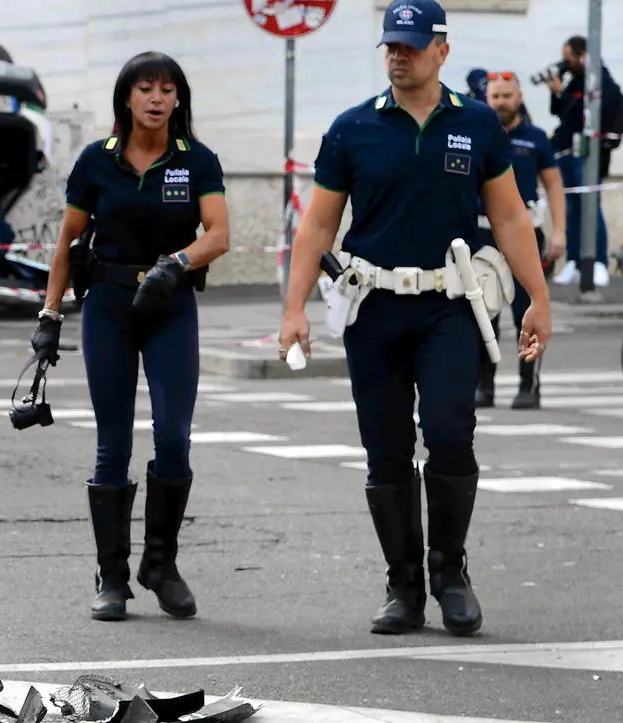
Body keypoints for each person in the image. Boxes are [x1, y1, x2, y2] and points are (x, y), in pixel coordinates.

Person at [277, 0, 552, 638]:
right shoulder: (352, 128)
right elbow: (319, 223)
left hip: (450, 307)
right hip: (372, 308)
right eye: (391, 46)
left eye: (411, 44)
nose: (399, 55)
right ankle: (403, 585)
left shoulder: (478, 125)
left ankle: (450, 573)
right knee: (386, 450)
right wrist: (293, 310)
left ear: (441, 51)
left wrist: (538, 297)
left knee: (452, 432)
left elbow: (510, 217)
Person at [31, 51, 231, 622]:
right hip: (110, 306)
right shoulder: (97, 162)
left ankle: (161, 565)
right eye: (146, 87)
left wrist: (177, 262)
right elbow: (69, 243)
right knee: (112, 441)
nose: (157, 98)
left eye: (168, 89)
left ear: (178, 99)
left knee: (173, 435)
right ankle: (112, 575)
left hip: (170, 306)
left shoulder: (197, 161)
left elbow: (218, 235)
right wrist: (50, 317)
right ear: (126, 97)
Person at [475, 71, 567, 410]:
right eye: (495, 97)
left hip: (525, 233)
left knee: (525, 311)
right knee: (483, 314)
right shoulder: (476, 135)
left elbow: (554, 185)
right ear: (487, 100)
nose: (501, 103)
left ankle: (529, 385)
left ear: (519, 98)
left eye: (506, 96)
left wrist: (559, 232)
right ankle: (484, 385)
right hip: (482, 235)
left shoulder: (536, 138)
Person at [546, 35, 619, 288]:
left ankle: (597, 260)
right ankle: (575, 261)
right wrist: (556, 92)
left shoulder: (600, 81)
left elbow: (595, 111)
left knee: (591, 207)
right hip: (567, 152)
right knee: (573, 210)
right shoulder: (575, 81)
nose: (565, 64)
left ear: (583, 55)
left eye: (569, 58)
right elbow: (560, 111)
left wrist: (562, 95)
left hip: (588, 156)